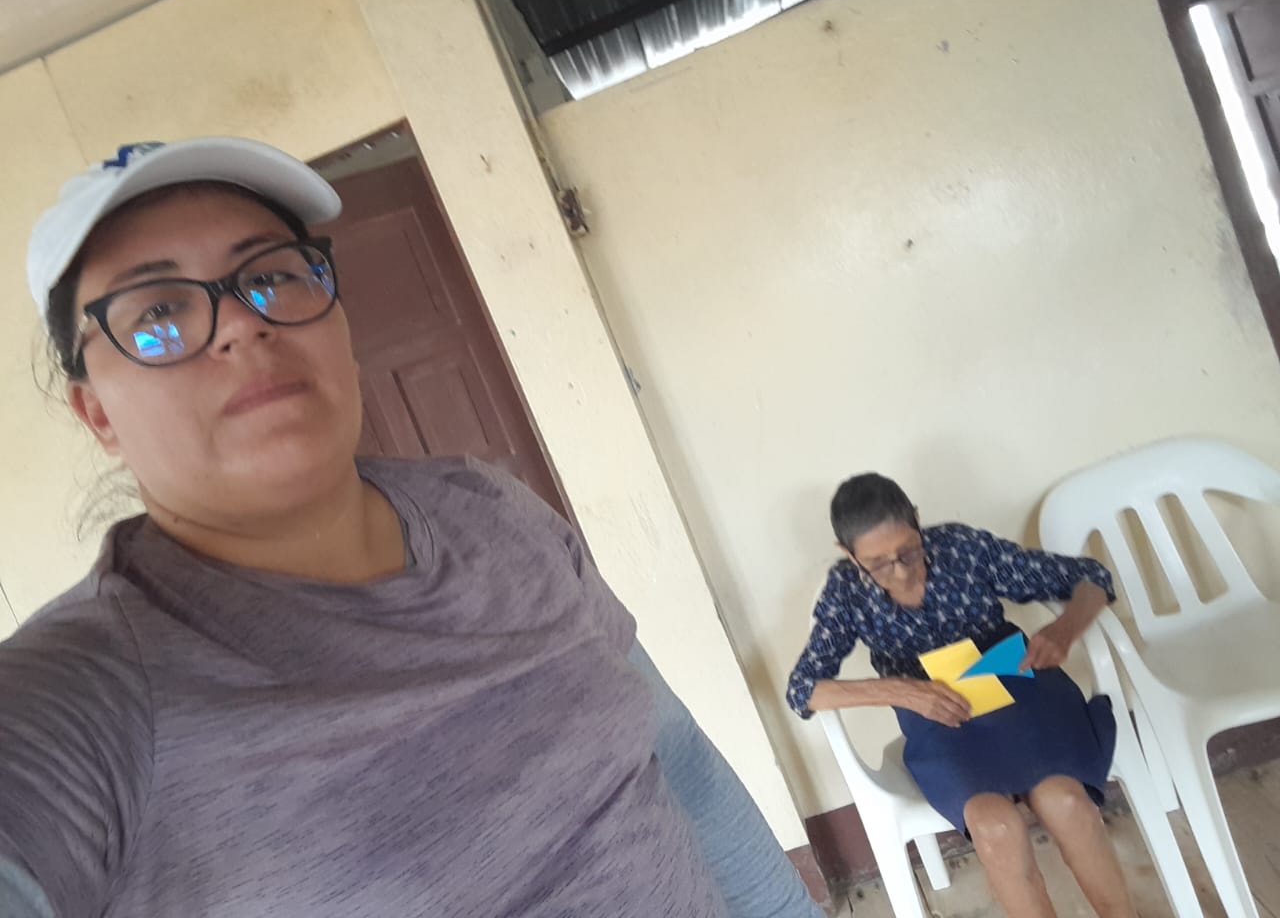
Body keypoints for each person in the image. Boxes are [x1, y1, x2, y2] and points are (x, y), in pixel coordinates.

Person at [0, 137, 823, 918]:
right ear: (97, 414)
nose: (244, 323)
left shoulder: (493, 511)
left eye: (273, 275)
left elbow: (677, 758)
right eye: (157, 313)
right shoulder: (90, 699)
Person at [787, 473, 1136, 918]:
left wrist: (1064, 629)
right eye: (878, 564)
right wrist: (902, 690)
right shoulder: (847, 590)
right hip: (940, 716)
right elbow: (803, 690)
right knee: (995, 828)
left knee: (1066, 802)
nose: (901, 571)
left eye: (908, 551)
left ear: (917, 520)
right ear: (848, 553)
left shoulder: (961, 548)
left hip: (1019, 685)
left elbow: (1090, 578)